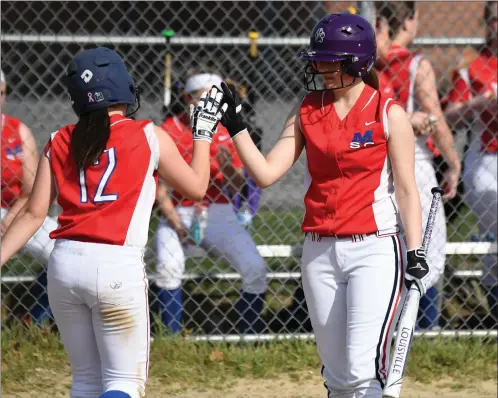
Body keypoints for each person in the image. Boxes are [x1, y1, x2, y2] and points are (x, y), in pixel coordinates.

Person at [219, 12, 433, 397]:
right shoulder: (307, 108)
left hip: (375, 248)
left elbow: (406, 189)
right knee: (335, 375)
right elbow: (267, 173)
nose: (319, 67)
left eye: (328, 60)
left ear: (355, 62)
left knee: (360, 368)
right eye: (317, 59)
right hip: (319, 251)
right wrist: (237, 128)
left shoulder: (389, 113)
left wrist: (416, 249)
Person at [0, 47, 226, 398]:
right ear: (123, 87)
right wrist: (202, 135)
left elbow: (32, 213)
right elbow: (197, 187)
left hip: (64, 266)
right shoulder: (149, 135)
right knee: (123, 384)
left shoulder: (59, 139)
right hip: (116, 268)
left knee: (87, 381)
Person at [154, 67, 268, 334]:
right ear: (187, 98)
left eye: (213, 98)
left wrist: (228, 168)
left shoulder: (229, 130)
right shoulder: (170, 129)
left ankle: (246, 333)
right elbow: (159, 188)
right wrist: (177, 225)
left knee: (256, 268)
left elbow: (240, 187)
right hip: (178, 210)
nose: (207, 103)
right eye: (200, 97)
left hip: (219, 211)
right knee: (168, 266)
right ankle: (171, 335)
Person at [375, 1, 462, 330]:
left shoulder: (366, 64)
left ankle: (393, 325)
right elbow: (436, 121)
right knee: (428, 247)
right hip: (415, 163)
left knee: (392, 245)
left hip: (376, 163)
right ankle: (422, 327)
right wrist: (453, 163)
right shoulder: (415, 64)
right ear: (408, 21)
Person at [444, 1, 497, 324]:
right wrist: (480, 102)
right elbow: (449, 116)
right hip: (487, 158)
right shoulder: (472, 65)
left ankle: (492, 313)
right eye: (493, 20)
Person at [1, 69, 58, 324]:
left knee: (61, 250)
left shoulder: (17, 130)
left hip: (17, 209)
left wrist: (10, 219)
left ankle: (33, 320)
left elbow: (31, 188)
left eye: (1, 92)